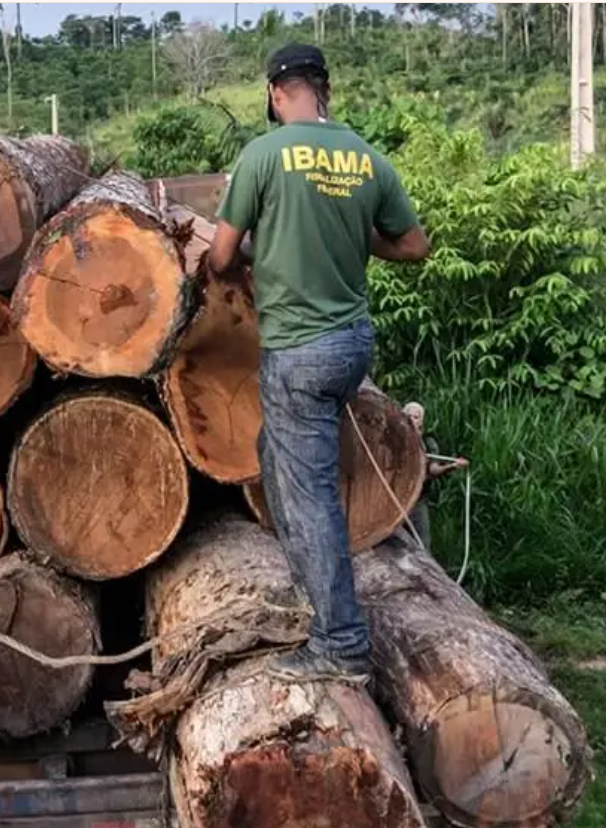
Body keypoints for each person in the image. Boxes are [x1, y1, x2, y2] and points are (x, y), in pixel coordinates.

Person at [207, 43, 431, 685]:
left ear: (276, 94)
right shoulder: (365, 157)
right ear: (323, 90)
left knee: (311, 499)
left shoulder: (264, 154)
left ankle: (339, 644)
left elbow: (220, 257)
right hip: (351, 342)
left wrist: (259, 245)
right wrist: (356, 234)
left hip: (299, 351)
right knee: (274, 457)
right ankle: (312, 592)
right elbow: (415, 245)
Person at [403, 401, 467, 548]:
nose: (412, 419)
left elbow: (433, 469)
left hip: (417, 500)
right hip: (393, 498)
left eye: (416, 417)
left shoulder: (428, 442)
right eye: (408, 416)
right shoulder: (393, 439)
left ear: (421, 422)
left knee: (423, 544)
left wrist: (452, 466)